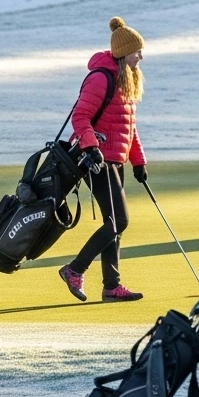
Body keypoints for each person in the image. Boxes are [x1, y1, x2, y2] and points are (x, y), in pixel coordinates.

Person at [58, 17, 148, 303]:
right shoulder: (101, 77)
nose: (141, 56)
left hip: (115, 160)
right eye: (137, 52)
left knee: (114, 222)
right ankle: (74, 269)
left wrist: (139, 162)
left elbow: (128, 128)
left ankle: (112, 286)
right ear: (124, 53)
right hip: (96, 159)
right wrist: (91, 146)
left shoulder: (127, 79)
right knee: (119, 220)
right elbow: (80, 117)